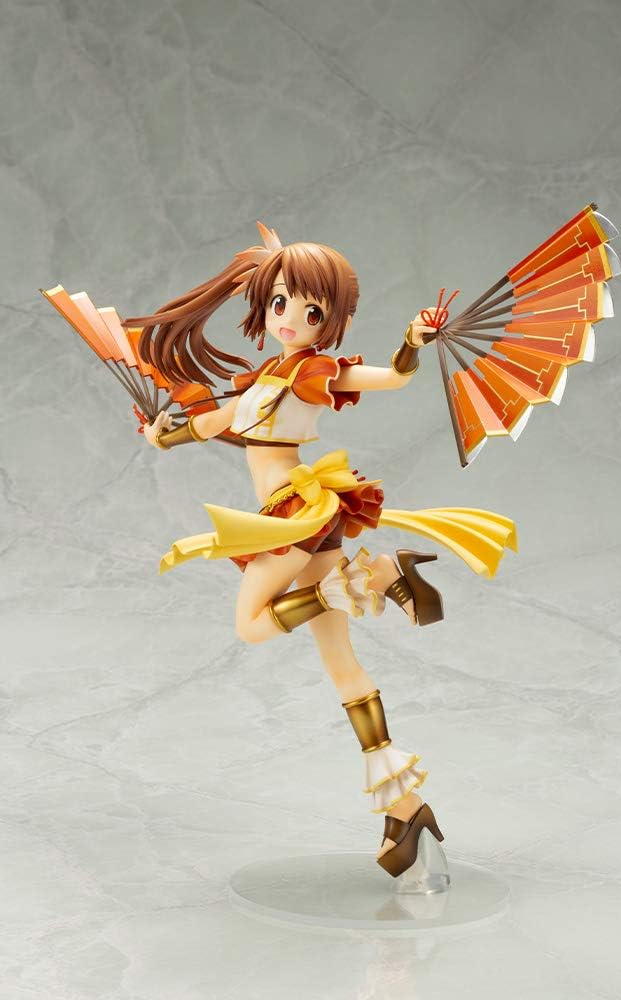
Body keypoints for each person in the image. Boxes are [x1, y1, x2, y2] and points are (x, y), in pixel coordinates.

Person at [127, 223, 516, 876]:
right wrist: (161, 435)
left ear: (333, 320)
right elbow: (212, 422)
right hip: (309, 519)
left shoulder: (313, 370)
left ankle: (373, 576)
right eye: (280, 303)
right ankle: (405, 807)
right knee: (344, 668)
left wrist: (411, 344)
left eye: (311, 311)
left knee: (252, 626)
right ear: (262, 303)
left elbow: (391, 377)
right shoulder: (265, 376)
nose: (290, 319)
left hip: (294, 516)